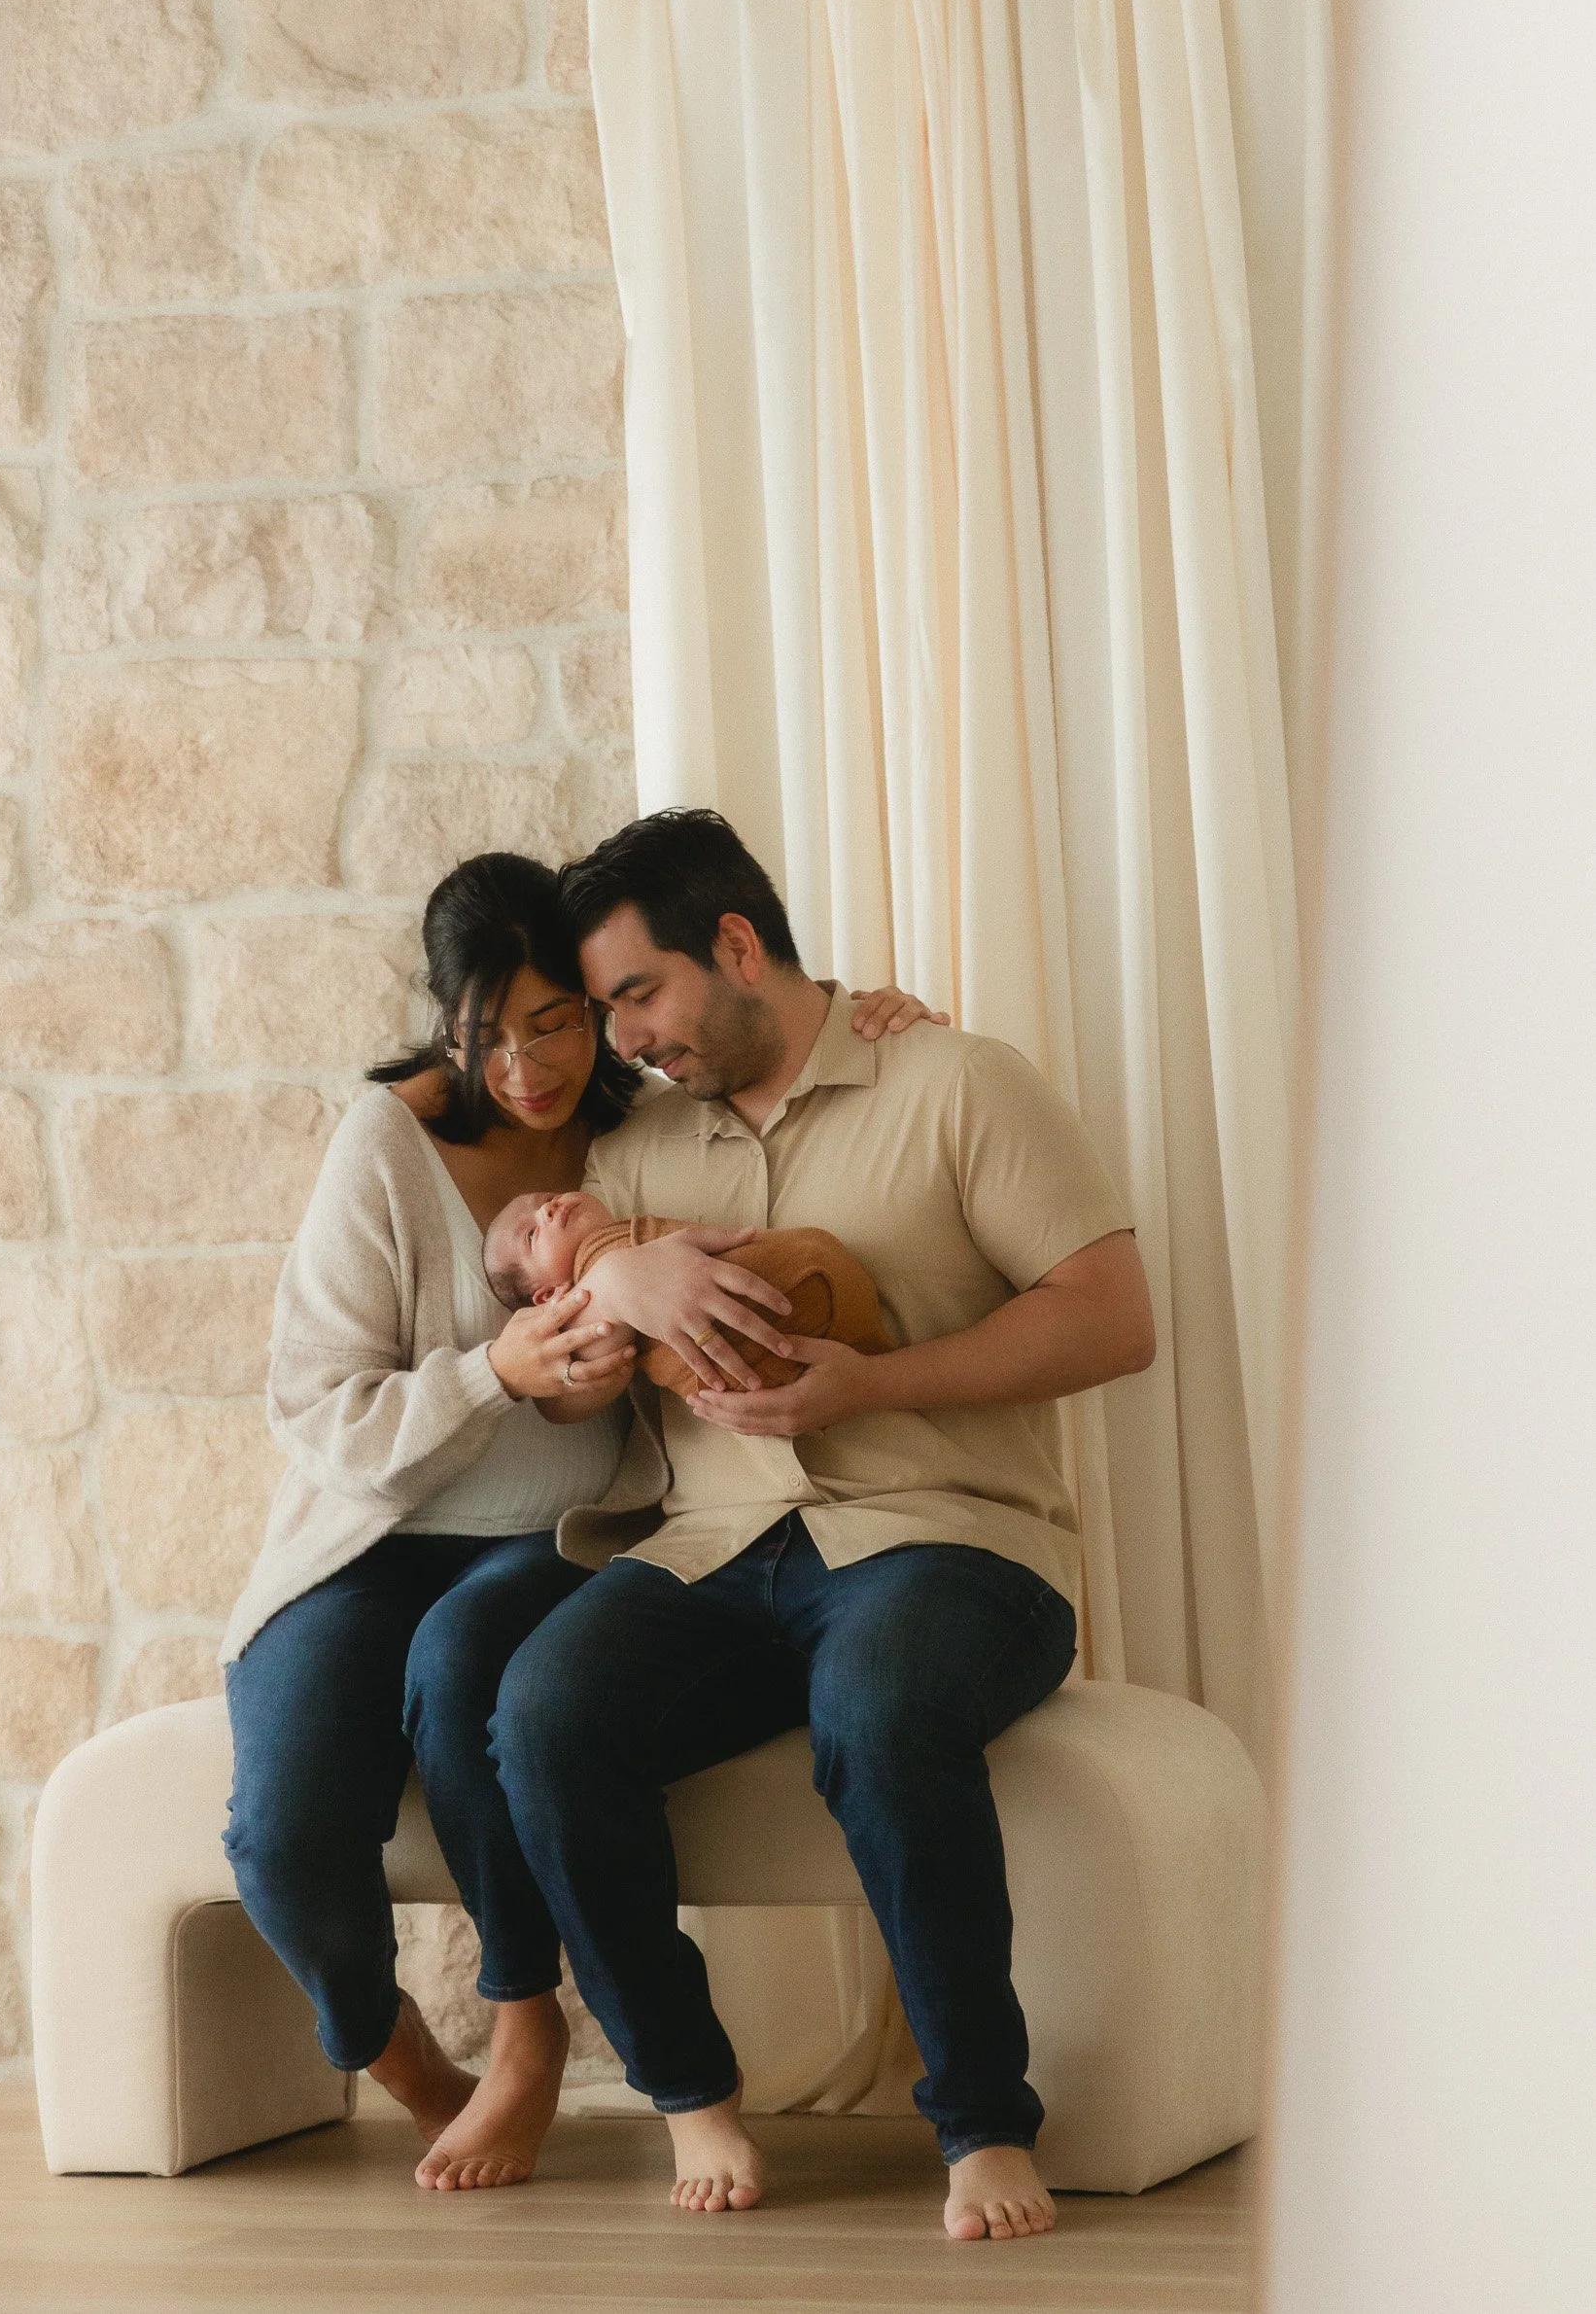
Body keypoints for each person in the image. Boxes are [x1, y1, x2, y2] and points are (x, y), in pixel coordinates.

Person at [220, 848, 941, 2195]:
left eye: (553, 1021)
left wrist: (871, 1008)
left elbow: (770, 1043)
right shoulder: (387, 1143)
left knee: (464, 1676)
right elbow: (314, 1408)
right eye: (486, 1034)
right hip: (367, 1536)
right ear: (446, 1024)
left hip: (557, 1540)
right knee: (279, 1834)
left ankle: (525, 2030)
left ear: (594, 1008)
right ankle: (413, 2071)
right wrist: (497, 1372)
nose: (524, 1067)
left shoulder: (641, 1115)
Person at [486, 810, 1158, 2244]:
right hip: (708, 1556)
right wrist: (612, 1290)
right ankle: (686, 2091)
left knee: (879, 1704)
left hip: (949, 1538)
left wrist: (878, 1383)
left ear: (734, 945)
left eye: (637, 996)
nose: (624, 1039)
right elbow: (545, 1348)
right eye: (606, 1012)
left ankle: (980, 2122)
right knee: (541, 1710)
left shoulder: (958, 1082)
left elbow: (1111, 1318)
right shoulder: (639, 1154)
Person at [481, 1187, 891, 1397]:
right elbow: (591, 1354)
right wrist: (611, 1284)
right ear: (546, 1295)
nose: (548, 1209)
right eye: (533, 1234)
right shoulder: (580, 1310)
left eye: (548, 1199)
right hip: (776, 1345)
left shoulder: (625, 1236)